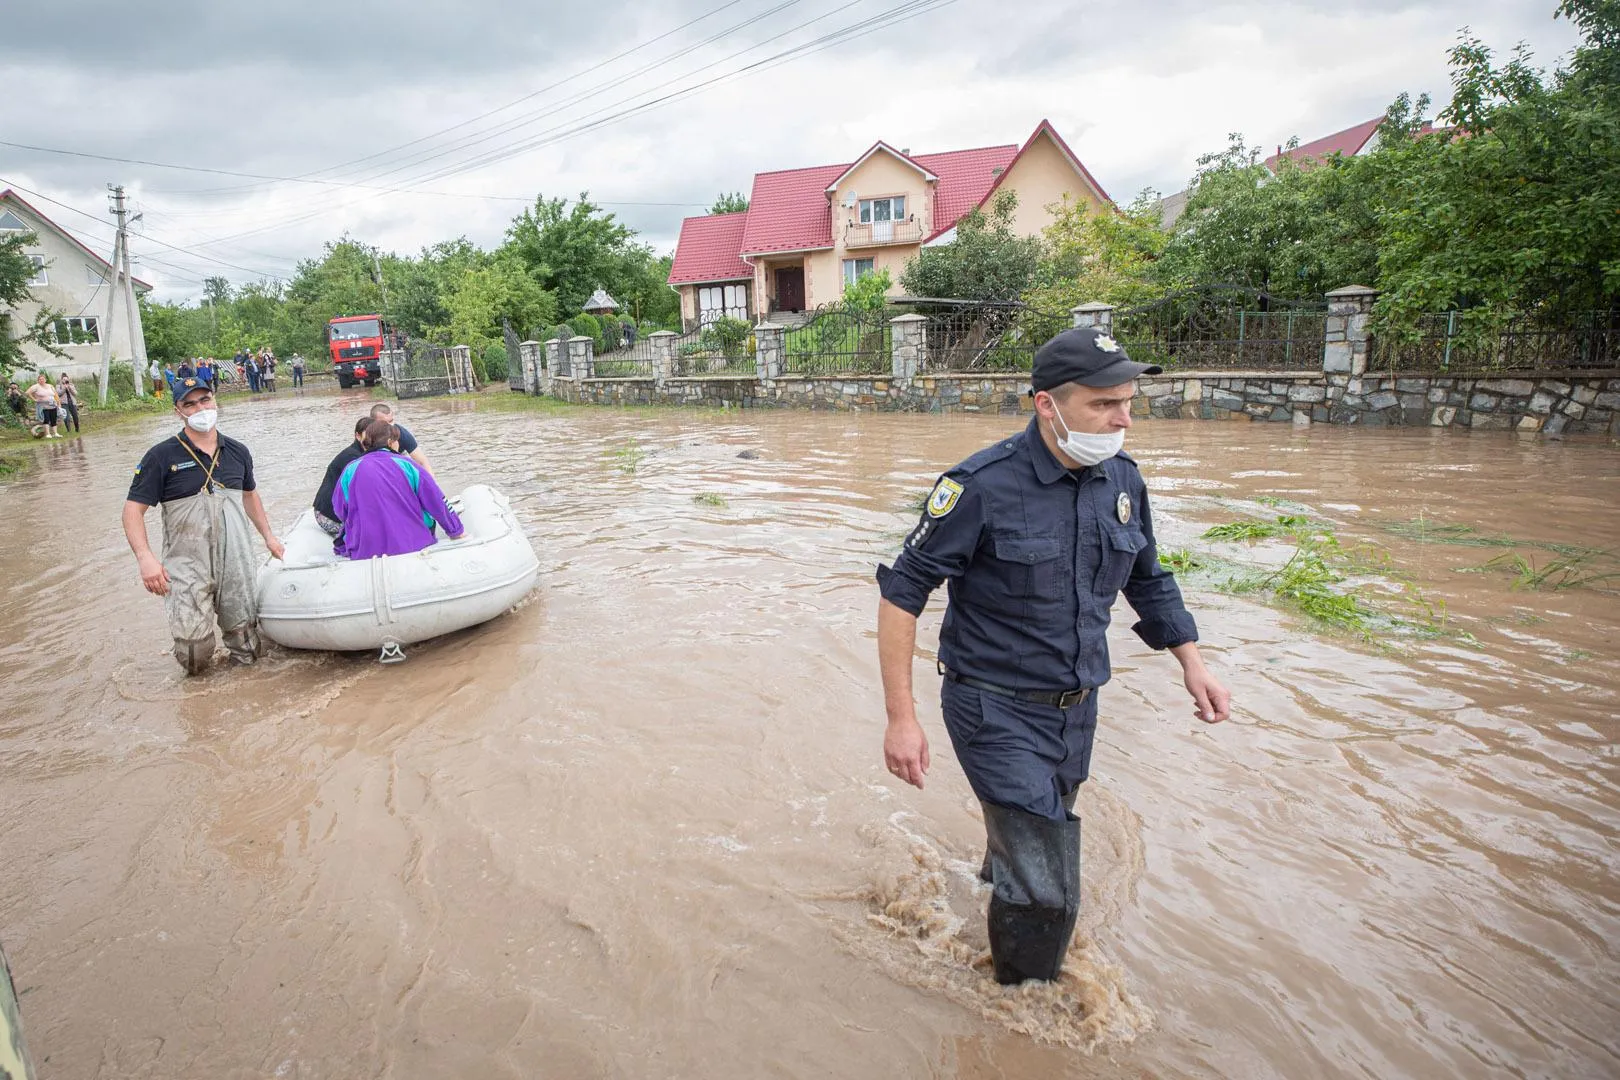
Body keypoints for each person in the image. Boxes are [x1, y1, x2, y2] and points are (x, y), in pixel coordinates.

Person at [875, 327, 1232, 986]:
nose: (1123, 417)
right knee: (1049, 894)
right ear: (1048, 404)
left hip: (1075, 709)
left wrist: (1192, 661)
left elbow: (1147, 576)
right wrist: (903, 717)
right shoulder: (979, 486)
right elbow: (902, 595)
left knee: (1037, 835)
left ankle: (990, 890)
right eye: (1104, 404)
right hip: (992, 707)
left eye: (1127, 402)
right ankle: (1024, 1007)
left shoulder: (1122, 481)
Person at [121, 377, 284, 674]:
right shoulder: (161, 456)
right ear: (177, 411)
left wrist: (269, 537)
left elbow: (250, 495)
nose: (200, 408)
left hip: (235, 558)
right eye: (190, 403)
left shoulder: (237, 451)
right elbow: (132, 510)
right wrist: (146, 559)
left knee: (246, 642)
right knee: (194, 651)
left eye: (205, 400)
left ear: (215, 400)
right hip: (186, 565)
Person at [332, 419, 462, 559]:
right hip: (413, 545)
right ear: (390, 442)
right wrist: (456, 530)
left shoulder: (350, 470)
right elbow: (437, 501)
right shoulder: (408, 465)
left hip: (365, 550)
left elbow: (339, 509)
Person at [312, 417, 371, 537]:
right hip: (327, 515)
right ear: (358, 436)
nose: (371, 439)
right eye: (368, 435)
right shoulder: (352, 457)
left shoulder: (362, 453)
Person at [368, 403, 434, 475]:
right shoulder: (366, 436)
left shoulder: (402, 434)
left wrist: (432, 483)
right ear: (373, 422)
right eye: (385, 423)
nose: (390, 426)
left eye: (391, 421)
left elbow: (422, 462)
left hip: (398, 457)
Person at [26, 374, 61, 438]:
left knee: (54, 419)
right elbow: (27, 392)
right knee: (46, 419)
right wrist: (34, 399)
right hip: (43, 406)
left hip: (53, 405)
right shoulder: (36, 386)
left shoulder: (50, 386)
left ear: (45, 380)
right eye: (40, 379)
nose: (41, 380)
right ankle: (48, 434)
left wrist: (58, 403)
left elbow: (55, 395)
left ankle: (55, 433)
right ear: (38, 380)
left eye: (43, 379)